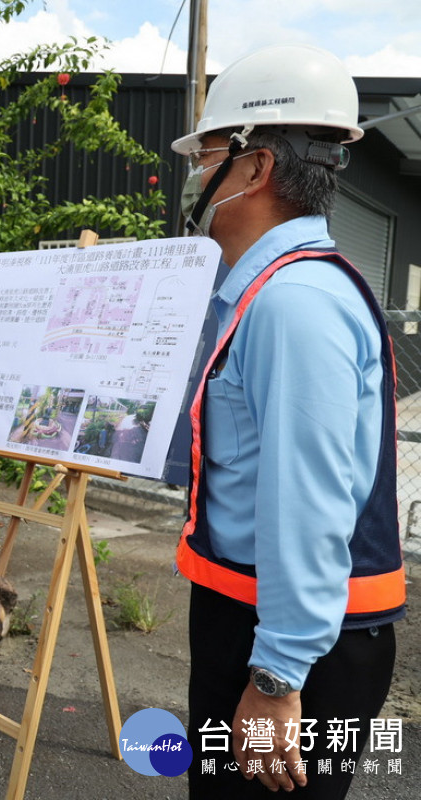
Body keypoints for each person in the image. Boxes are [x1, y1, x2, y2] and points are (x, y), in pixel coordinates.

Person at [172, 44, 405, 798]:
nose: (193, 169)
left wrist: (275, 676)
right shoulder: (266, 290)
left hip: (291, 645)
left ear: (254, 167)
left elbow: (308, 503)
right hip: (259, 618)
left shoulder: (294, 303)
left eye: (205, 151)